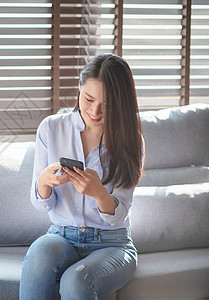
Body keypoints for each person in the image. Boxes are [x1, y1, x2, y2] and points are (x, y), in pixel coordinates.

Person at [19, 53, 144, 300]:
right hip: (61, 235)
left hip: (112, 243)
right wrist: (44, 182)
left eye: (107, 104)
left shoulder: (132, 141)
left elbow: (119, 215)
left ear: (122, 103)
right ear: (79, 89)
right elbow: (42, 203)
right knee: (38, 255)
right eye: (88, 98)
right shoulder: (51, 128)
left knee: (76, 281)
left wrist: (99, 193)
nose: (95, 111)